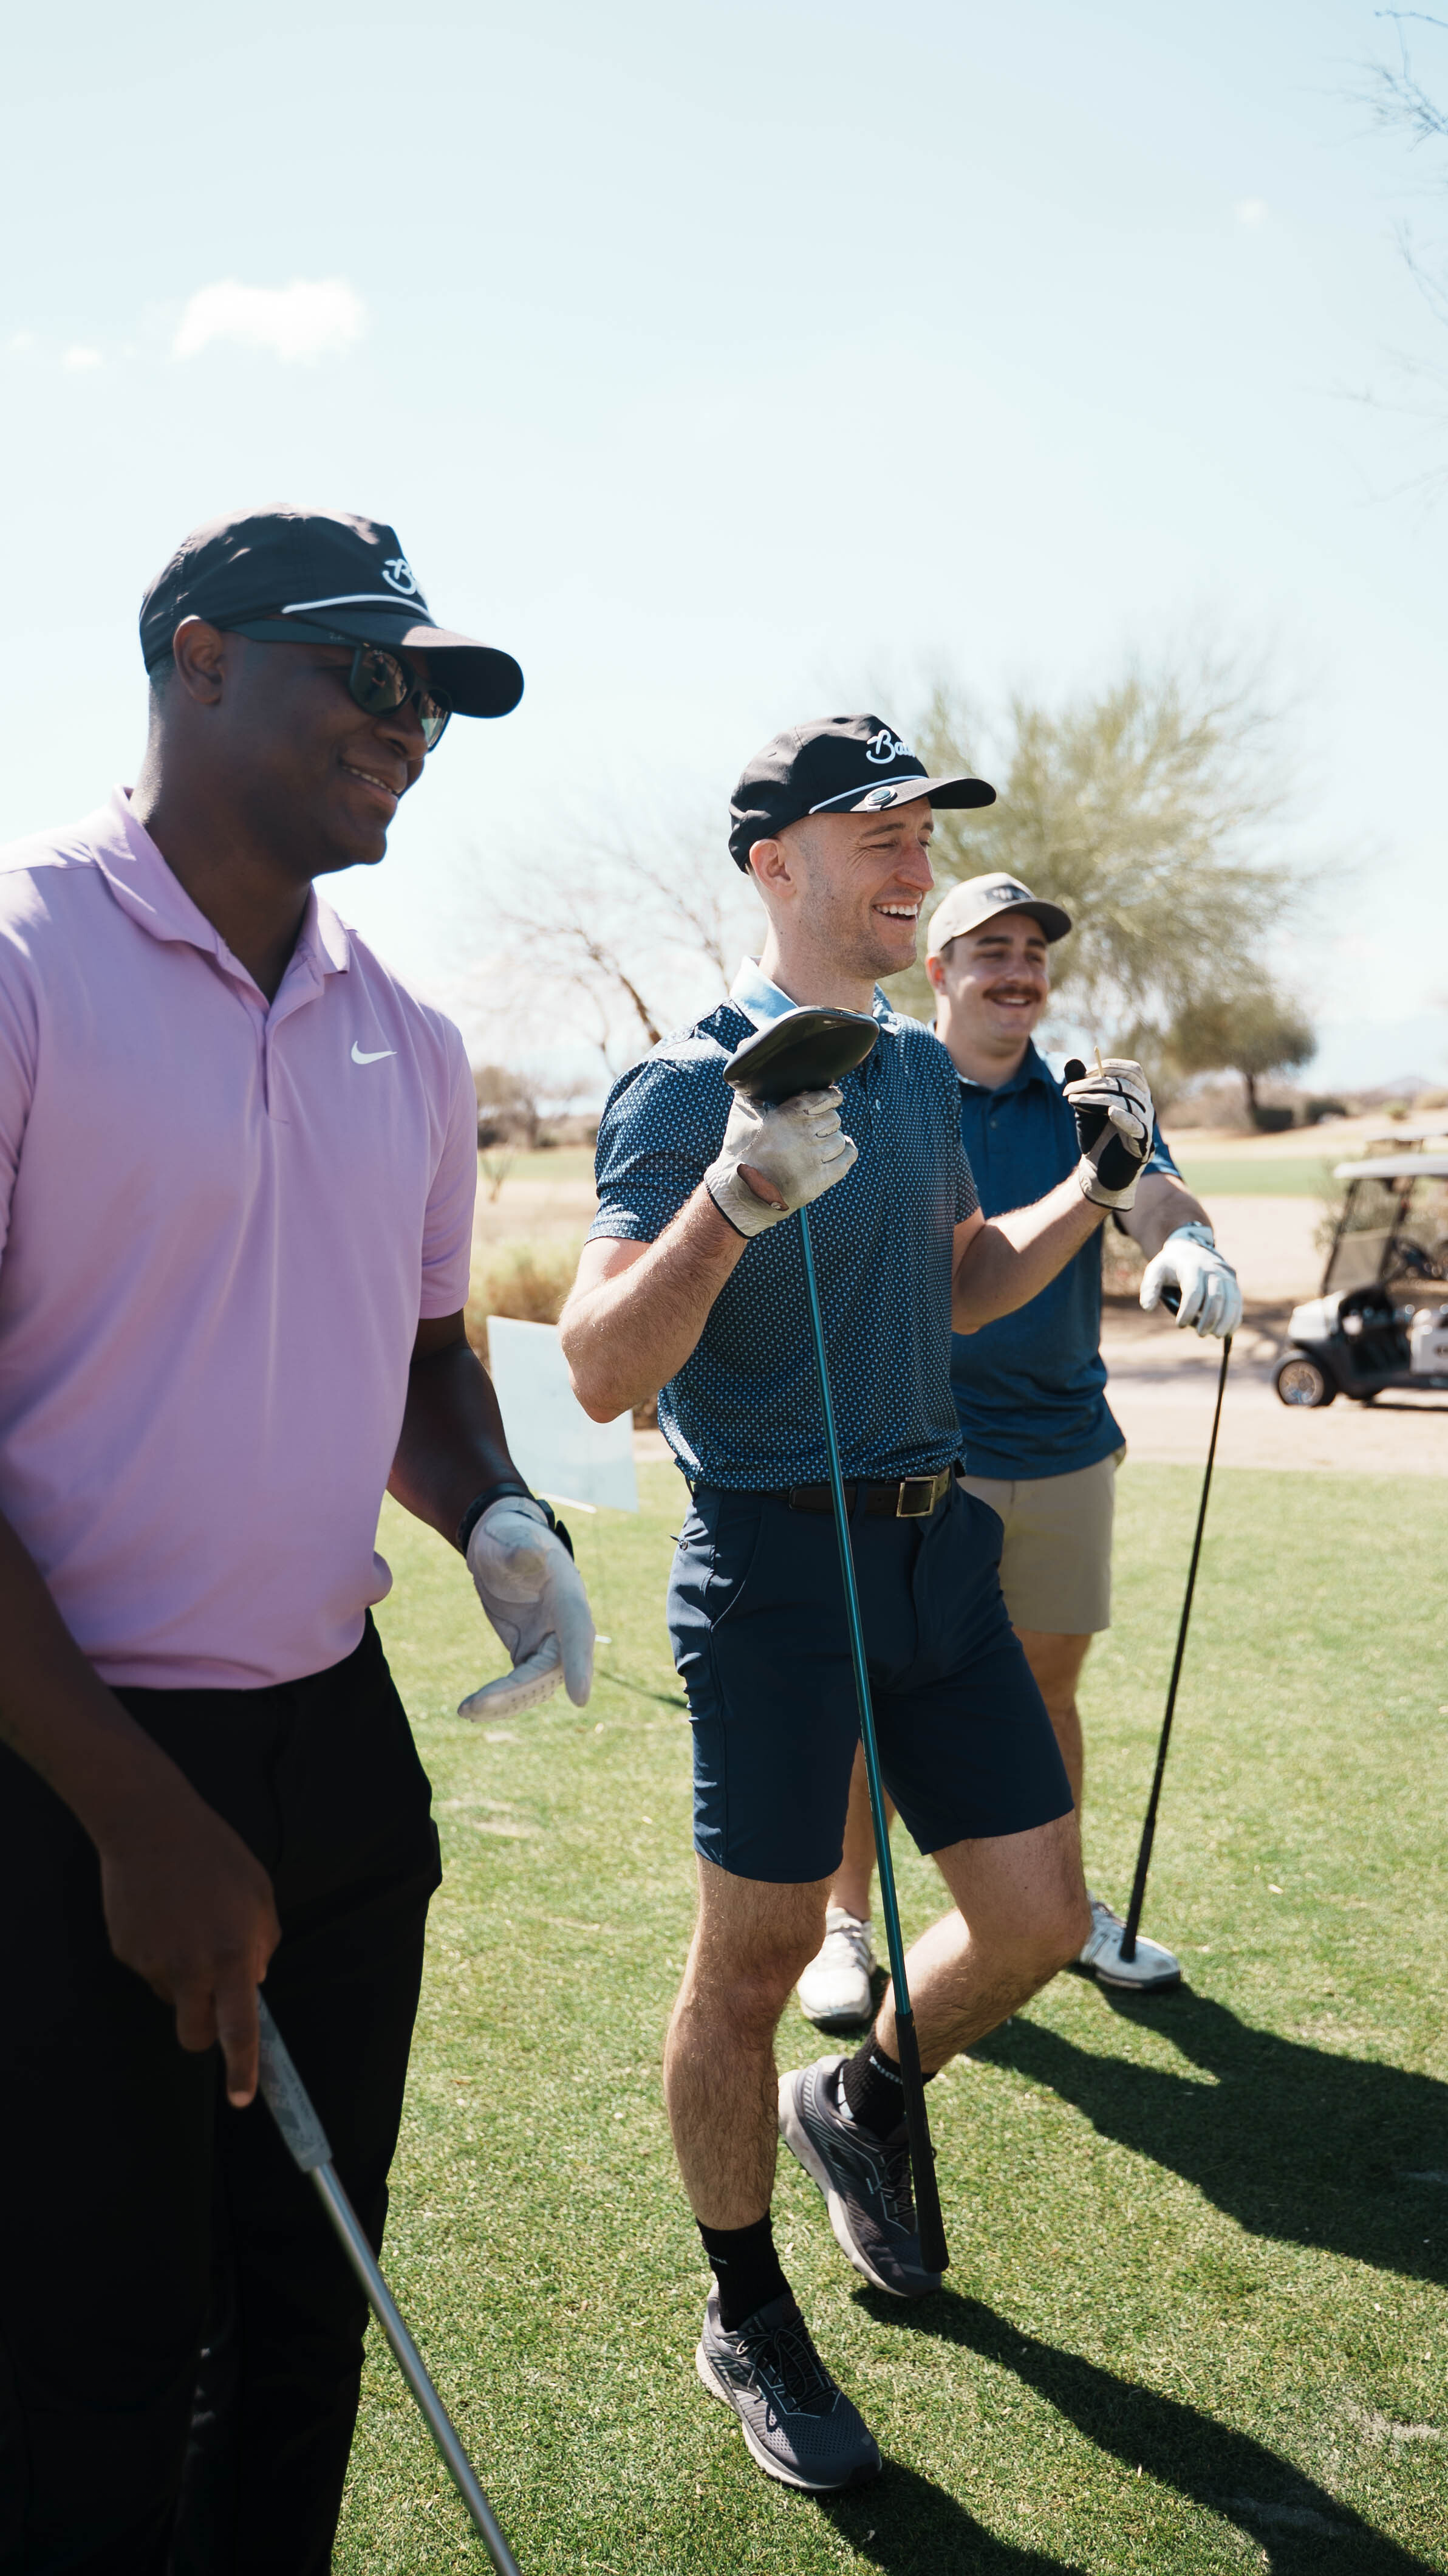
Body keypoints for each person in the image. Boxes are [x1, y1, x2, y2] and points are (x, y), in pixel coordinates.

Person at [0, 506, 594, 2575]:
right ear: (198, 657)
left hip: (333, 1754)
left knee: (303, 2319)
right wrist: (128, 1810)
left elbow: (421, 1358)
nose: (408, 724)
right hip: (62, 1751)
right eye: (368, 675)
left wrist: (495, 1507)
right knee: (89, 2350)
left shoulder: (408, 1035)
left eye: (430, 696)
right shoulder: (22, 962)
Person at [559, 714, 1163, 2494]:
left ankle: (864, 2098)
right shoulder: (687, 1082)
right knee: (750, 1968)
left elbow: (962, 1281)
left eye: (924, 833)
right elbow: (598, 1367)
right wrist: (738, 1193)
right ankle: (744, 2307)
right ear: (777, 864)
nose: (917, 864)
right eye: (879, 833)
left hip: (935, 1543)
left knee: (1037, 1921)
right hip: (771, 1564)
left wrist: (1094, 1186)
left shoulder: (907, 1067)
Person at [796, 871, 1241, 2032]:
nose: (1016, 970)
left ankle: (1068, 1908)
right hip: (911, 1450)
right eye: (989, 950)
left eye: (1032, 952)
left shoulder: (1093, 1097)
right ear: (938, 970)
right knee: (870, 1698)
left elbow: (1154, 1192)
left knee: (1048, 1690)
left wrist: (1189, 1243)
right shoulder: (890, 1085)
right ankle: (845, 1923)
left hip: (1061, 1445)